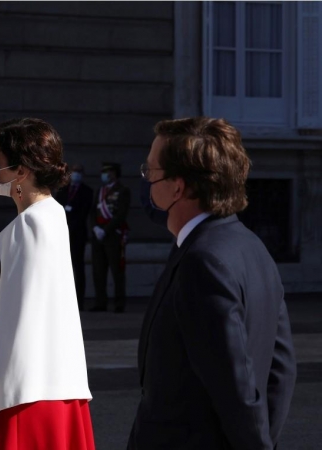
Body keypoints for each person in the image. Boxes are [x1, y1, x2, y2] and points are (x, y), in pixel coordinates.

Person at [129, 117, 296, 449]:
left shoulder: (202, 262)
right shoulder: (251, 246)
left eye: (150, 173)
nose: (147, 183)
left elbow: (237, 389)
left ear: (177, 186)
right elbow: (282, 373)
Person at [0, 118, 95, 450]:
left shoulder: (31, 225)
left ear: (21, 170)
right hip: (37, 389)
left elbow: (17, 322)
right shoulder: (49, 216)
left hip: (19, 399)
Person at [90, 162, 130, 313]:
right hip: (98, 234)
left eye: (108, 172)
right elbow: (93, 211)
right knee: (98, 271)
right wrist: (94, 227)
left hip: (113, 235)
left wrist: (105, 230)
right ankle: (100, 302)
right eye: (103, 172)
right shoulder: (100, 191)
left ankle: (119, 303)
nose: (105, 174)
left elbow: (121, 214)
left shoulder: (123, 191)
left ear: (115, 173)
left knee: (117, 270)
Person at [54, 163, 94, 310]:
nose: (76, 174)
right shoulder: (63, 190)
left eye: (79, 171)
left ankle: (79, 302)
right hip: (63, 234)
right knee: (62, 268)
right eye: (74, 171)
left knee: (78, 267)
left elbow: (84, 213)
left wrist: (70, 214)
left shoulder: (87, 191)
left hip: (78, 234)